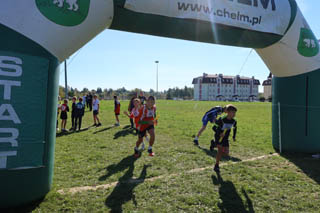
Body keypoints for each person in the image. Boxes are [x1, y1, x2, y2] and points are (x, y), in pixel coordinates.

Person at [213, 105, 237, 173]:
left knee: (226, 154)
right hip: (218, 136)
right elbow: (214, 128)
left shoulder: (234, 121)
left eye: (235, 113)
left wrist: (234, 137)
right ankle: (216, 165)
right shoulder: (222, 119)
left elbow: (235, 128)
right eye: (233, 112)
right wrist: (220, 133)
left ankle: (214, 144)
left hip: (226, 138)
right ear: (228, 112)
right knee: (220, 151)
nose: (234, 114)